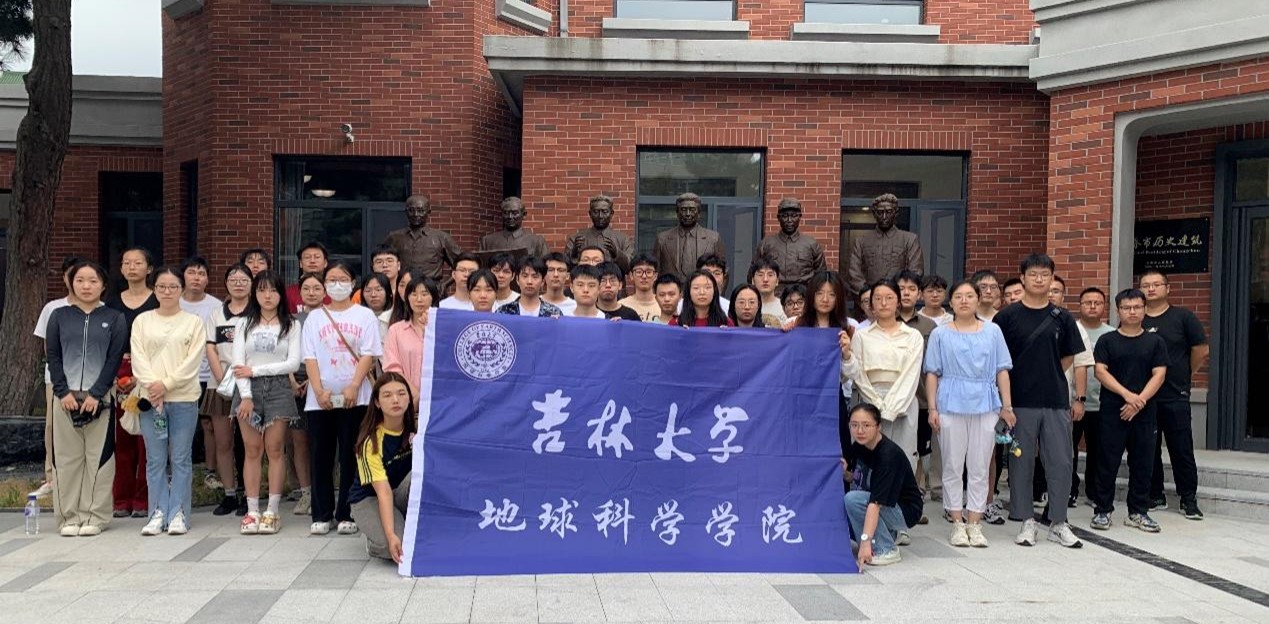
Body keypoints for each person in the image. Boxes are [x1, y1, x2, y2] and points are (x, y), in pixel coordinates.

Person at [993, 253, 1086, 548]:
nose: (1039, 279)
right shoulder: (1006, 317)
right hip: (1019, 401)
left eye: (1045, 275)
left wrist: (1050, 374)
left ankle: (1058, 522)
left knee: (1061, 460)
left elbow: (1069, 356)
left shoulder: (1063, 317)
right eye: (1033, 274)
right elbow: (998, 360)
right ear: (1022, 278)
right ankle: (1026, 521)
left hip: (1055, 399)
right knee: (1021, 462)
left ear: (1052, 279)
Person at [924, 280, 1014, 548]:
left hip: (986, 403)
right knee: (953, 464)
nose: (964, 301)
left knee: (980, 465)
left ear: (978, 299)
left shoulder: (993, 331)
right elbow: (932, 373)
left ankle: (975, 522)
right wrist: (932, 408)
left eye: (969, 296)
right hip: (950, 403)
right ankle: (956, 522)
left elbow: (1002, 370)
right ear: (951, 302)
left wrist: (1007, 406)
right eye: (959, 296)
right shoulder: (940, 334)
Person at [46, 261, 128, 537]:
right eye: (80, 280)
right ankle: (68, 517)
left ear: (103, 285)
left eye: (93, 281)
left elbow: (114, 358)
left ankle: (95, 515)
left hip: (100, 397)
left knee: (99, 458)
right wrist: (62, 392)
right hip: (65, 397)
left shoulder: (114, 318)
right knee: (66, 459)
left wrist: (97, 393)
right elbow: (53, 356)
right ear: (71, 283)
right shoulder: (59, 316)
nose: (86, 286)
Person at [302, 260, 382, 536]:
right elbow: (310, 357)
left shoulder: (365, 316)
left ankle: (347, 512)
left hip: (356, 398)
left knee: (351, 454)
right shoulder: (314, 318)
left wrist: (354, 385)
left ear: (353, 283)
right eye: (332, 280)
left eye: (343, 279)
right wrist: (318, 390)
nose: (337, 285)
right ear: (325, 284)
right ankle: (321, 513)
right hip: (320, 399)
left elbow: (369, 353)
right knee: (320, 455)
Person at [131, 267, 207, 536]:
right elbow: (138, 357)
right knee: (154, 459)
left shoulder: (193, 322)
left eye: (173, 287)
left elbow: (193, 361)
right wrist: (154, 386)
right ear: (154, 289)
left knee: (181, 458)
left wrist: (167, 384)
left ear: (181, 290)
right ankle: (157, 512)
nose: (167, 292)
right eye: (161, 287)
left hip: (183, 398)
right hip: (151, 400)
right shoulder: (142, 321)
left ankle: (179, 513)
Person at [1091, 288, 1169, 533]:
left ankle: (1138, 512)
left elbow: (1160, 374)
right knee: (1107, 462)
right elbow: (1100, 371)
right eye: (1126, 308)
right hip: (1113, 410)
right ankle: (1103, 510)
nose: (1132, 312)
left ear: (1144, 310)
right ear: (1118, 311)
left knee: (1143, 463)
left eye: (1137, 307)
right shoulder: (1107, 341)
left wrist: (1139, 401)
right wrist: (1128, 396)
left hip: (1145, 412)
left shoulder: (1155, 342)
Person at [231, 271, 302, 535]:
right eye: (262, 290)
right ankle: (252, 511)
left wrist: (256, 371)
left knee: (275, 449)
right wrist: (246, 396)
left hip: (279, 388)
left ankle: (272, 510)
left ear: (281, 294)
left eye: (273, 290)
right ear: (255, 293)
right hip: (247, 390)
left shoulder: (291, 324)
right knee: (252, 450)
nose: (267, 295)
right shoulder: (244, 324)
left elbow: (292, 363)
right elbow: (238, 364)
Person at [1139, 269, 1207, 520]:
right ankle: (1155, 494)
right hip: (1144, 396)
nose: (1151, 288)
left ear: (1168, 288)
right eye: (1146, 285)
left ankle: (1188, 499)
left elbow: (1201, 349)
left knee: (1181, 448)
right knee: (1148, 448)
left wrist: (1185, 374)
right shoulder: (1135, 319)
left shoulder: (1183, 317)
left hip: (1175, 394)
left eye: (1156, 284)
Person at [842, 280, 924, 473]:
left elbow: (911, 375)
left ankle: (901, 494)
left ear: (898, 302)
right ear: (871, 304)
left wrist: (891, 409)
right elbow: (858, 375)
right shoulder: (862, 336)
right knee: (870, 458)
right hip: (870, 400)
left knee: (903, 456)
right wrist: (876, 405)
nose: (884, 303)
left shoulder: (913, 336)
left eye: (889, 298)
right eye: (878, 299)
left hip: (904, 402)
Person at [105, 247, 158, 519]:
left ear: (149, 268)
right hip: (119, 371)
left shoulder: (157, 300)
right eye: (127, 263)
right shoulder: (111, 303)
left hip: (148, 371)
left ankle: (143, 499)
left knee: (146, 439)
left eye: (138, 262)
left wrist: (140, 376)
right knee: (123, 437)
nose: (132, 267)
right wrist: (115, 376)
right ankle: (121, 499)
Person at [844, 403, 924, 567]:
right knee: (845, 509)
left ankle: (886, 549)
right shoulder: (860, 446)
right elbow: (858, 478)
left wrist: (865, 542)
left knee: (852, 500)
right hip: (878, 502)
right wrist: (844, 473)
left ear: (879, 426)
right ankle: (888, 534)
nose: (860, 430)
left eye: (866, 425)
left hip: (903, 510)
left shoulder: (888, 456)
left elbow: (875, 503)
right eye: (854, 425)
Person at [349, 373, 417, 563]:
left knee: (420, 475)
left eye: (401, 393)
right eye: (387, 395)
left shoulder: (417, 429)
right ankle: (375, 543)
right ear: (377, 403)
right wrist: (390, 534)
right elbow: (383, 492)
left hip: (400, 493)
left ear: (409, 398)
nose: (395, 400)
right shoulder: (370, 442)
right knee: (398, 547)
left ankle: (405, 522)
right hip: (370, 498)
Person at [32, 256, 84, 499]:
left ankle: (84, 478)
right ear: (65, 278)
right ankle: (52, 477)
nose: (79, 282)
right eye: (72, 275)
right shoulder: (52, 308)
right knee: (54, 428)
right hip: (57, 379)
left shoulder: (102, 309)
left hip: (91, 380)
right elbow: (48, 349)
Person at [205, 263, 252, 517]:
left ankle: (248, 493)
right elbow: (210, 347)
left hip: (249, 384)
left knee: (248, 442)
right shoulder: (216, 314)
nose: (238, 283)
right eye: (233, 279)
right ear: (226, 284)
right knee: (223, 442)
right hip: (221, 384)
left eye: (244, 279)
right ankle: (230, 494)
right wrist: (221, 377)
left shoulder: (257, 312)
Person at [177, 257, 225, 495]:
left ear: (207, 279)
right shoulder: (173, 302)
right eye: (191, 272)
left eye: (201, 274)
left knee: (209, 424)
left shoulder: (216, 306)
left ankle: (210, 472)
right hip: (179, 376)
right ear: (183, 276)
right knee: (178, 425)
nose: (196, 278)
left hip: (208, 374)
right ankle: (178, 472)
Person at [896, 270, 938, 497]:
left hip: (920, 398)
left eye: (911, 289)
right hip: (892, 397)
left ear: (919, 294)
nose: (906, 293)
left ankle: (915, 495)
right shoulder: (885, 321)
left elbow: (934, 366)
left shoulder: (929, 326)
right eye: (901, 288)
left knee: (919, 451)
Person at [1073, 287, 1115, 508]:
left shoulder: (1112, 334)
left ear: (1104, 307)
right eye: (1087, 302)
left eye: (1097, 303)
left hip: (1101, 404)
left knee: (1097, 452)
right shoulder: (1072, 329)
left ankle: (1094, 492)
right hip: (1073, 402)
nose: (1092, 306)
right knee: (1068, 450)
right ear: (1079, 306)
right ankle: (1070, 490)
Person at [288, 272, 326, 516]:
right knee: (299, 440)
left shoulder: (331, 318)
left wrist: (315, 383)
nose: (311, 293)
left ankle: (325, 491)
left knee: (323, 440)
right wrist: (292, 381)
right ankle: (306, 493)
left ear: (325, 292)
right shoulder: (291, 320)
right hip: (295, 382)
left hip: (323, 382)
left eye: (316, 288)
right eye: (306, 288)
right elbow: (284, 352)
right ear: (299, 292)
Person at [846, 193, 923, 295]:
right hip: (869, 299)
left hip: (899, 299)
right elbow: (854, 273)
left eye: (889, 212)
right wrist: (868, 294)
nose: (884, 216)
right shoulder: (861, 241)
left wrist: (897, 294)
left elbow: (915, 272)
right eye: (880, 212)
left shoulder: (910, 239)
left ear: (896, 213)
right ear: (874, 214)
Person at [382, 195, 462, 284]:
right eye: (411, 210)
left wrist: (445, 285)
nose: (416, 214)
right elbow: (380, 262)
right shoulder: (394, 237)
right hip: (403, 287)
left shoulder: (442, 237)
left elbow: (463, 265)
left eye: (420, 211)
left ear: (428, 211)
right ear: (406, 212)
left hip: (432, 287)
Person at [384, 277, 440, 402]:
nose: (419, 299)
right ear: (407, 298)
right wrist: (415, 395)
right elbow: (392, 367)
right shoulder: (395, 330)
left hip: (437, 399)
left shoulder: (442, 329)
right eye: (414, 294)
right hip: (405, 399)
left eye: (424, 294)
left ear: (433, 297)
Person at [653, 193, 726, 282]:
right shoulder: (662, 239)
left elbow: (724, 272)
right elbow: (654, 272)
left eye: (692, 210)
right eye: (683, 210)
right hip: (671, 289)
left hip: (703, 289)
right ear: (677, 213)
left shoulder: (713, 239)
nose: (688, 214)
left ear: (699, 213)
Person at [757, 198, 827, 290]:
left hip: (803, 294)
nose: (789, 220)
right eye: (785, 216)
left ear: (800, 217)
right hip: (775, 294)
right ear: (778, 218)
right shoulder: (766, 244)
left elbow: (821, 276)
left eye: (794, 216)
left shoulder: (812, 244)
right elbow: (754, 274)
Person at [565, 194, 635, 271]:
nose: (600, 216)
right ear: (590, 214)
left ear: (611, 213)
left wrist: (617, 254)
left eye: (604, 212)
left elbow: (630, 267)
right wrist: (574, 253)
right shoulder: (576, 239)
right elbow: (565, 267)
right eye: (596, 212)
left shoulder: (624, 239)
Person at [479, 197, 549, 257]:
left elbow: (546, 266)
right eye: (506, 213)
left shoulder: (537, 242)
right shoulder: (487, 241)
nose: (510, 217)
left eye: (515, 213)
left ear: (524, 215)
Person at [496, 256, 562, 318]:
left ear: (543, 281)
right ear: (517, 280)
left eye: (535, 277)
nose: (529, 281)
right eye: (525, 276)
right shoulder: (503, 312)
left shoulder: (554, 313)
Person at [286, 241, 330, 312]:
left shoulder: (334, 293)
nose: (312, 261)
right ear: (300, 263)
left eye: (317, 257)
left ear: (325, 263)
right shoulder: (289, 293)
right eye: (307, 257)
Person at [618, 254, 661, 322]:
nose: (644, 276)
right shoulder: (621, 305)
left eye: (648, 272)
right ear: (631, 275)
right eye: (639, 272)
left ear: (655, 276)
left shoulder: (664, 305)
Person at [748, 258, 786, 326]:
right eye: (760, 275)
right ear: (753, 281)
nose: (765, 279)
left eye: (770, 275)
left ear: (777, 281)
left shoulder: (785, 308)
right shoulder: (745, 307)